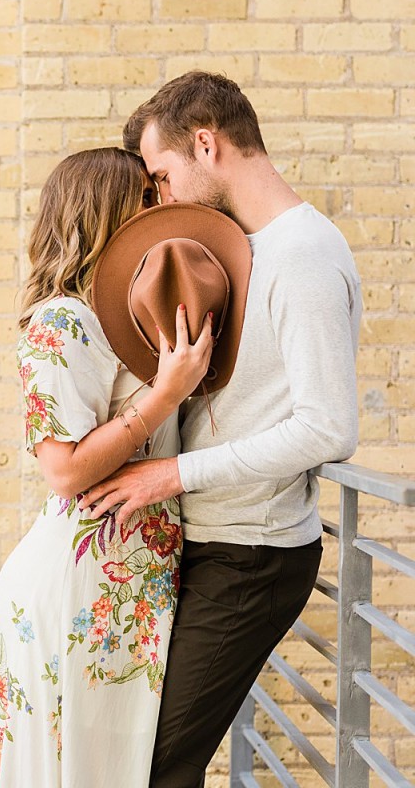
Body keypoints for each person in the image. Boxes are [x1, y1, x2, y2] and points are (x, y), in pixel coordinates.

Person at [81, 71, 363, 787]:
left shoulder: (299, 257)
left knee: (152, 768)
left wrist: (170, 475)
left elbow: (329, 428)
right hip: (211, 543)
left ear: (206, 144)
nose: (162, 198)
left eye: (164, 176)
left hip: (253, 556)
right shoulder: (249, 247)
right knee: (141, 755)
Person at [0, 146, 252, 787]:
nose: (159, 207)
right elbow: (63, 469)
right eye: (144, 197)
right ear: (102, 213)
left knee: (114, 770)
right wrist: (165, 394)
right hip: (82, 583)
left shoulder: (121, 319)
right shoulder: (63, 320)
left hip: (129, 580)